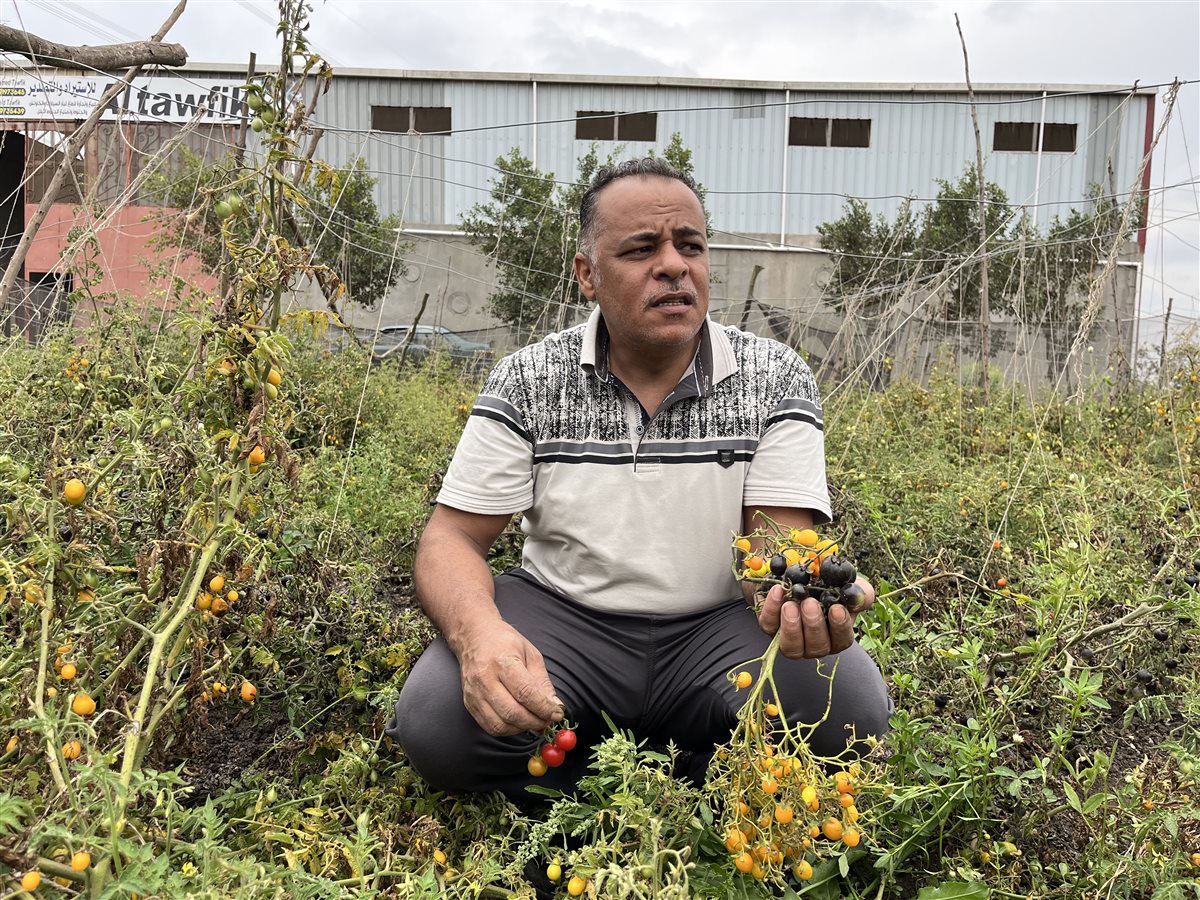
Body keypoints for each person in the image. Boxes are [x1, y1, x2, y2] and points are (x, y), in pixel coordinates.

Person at [387, 157, 890, 797]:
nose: (674, 265)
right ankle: (605, 785)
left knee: (848, 717)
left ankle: (675, 773)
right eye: (642, 249)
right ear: (587, 274)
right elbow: (451, 539)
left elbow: (774, 545)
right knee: (440, 723)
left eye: (691, 246)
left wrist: (799, 596)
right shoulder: (528, 380)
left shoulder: (774, 377)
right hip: (565, 619)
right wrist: (480, 636)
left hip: (719, 625)